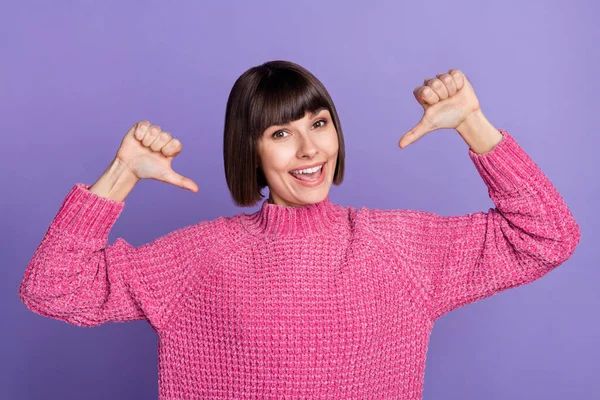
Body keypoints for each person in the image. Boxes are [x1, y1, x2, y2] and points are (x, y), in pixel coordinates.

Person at [19, 60, 581, 399]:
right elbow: (52, 287)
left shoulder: (397, 247)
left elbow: (548, 236)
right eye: (281, 133)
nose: (311, 148)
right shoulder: (204, 257)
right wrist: (121, 175)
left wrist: (473, 125)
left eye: (318, 123)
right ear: (251, 150)